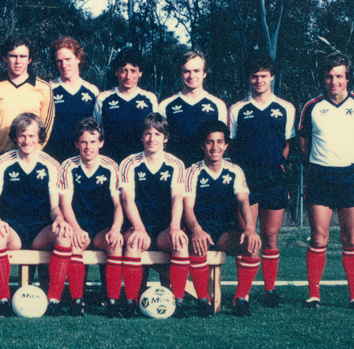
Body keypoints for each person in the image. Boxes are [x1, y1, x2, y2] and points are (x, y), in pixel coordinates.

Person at [297, 52, 354, 310]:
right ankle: (313, 295)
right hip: (320, 176)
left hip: (352, 177)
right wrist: (322, 163)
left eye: (339, 76)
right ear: (323, 78)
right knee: (319, 237)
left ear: (347, 78)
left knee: (351, 240)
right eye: (329, 76)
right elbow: (303, 145)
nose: (334, 81)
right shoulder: (312, 107)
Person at [227, 53, 296, 308]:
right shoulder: (237, 109)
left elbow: (287, 145)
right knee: (248, 235)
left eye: (263, 76)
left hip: (274, 177)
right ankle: (241, 294)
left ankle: (270, 290)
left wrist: (275, 165)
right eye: (254, 76)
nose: (259, 80)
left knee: (270, 236)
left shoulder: (286, 108)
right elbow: (231, 145)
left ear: (272, 77)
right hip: (246, 177)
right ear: (249, 78)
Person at [0, 113, 71, 317]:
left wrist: (59, 218)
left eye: (32, 136)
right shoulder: (1, 163)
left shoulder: (52, 164)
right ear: (15, 137)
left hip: (40, 230)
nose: (27, 141)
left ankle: (53, 300)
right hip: (12, 228)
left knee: (63, 235)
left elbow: (54, 206)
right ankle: (2, 300)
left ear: (40, 137)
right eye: (22, 135)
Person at [182, 119, 261, 317]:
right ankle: (203, 301)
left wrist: (250, 228)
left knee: (252, 246)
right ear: (202, 145)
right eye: (209, 142)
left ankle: (240, 299)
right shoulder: (192, 172)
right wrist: (196, 229)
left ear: (226, 145)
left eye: (219, 142)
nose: (215, 147)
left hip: (226, 232)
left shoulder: (235, 171)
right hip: (202, 229)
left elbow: (244, 202)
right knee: (195, 244)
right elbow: (188, 207)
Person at [118, 113, 189, 319]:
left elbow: (178, 197)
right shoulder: (129, 163)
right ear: (141, 137)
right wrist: (138, 227)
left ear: (165, 138)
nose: (152, 138)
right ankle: (131, 302)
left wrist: (175, 226)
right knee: (133, 241)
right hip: (139, 224)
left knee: (181, 242)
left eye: (157, 134)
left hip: (163, 228)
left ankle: (179, 301)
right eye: (147, 134)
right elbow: (127, 199)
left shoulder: (176, 164)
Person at [50, 118, 123, 317]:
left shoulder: (111, 167)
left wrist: (116, 228)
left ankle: (112, 301)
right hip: (78, 223)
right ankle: (77, 301)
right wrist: (75, 228)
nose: (88, 147)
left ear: (101, 143)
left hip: (102, 227)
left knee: (115, 243)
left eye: (93, 142)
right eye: (83, 142)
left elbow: (118, 204)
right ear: (76, 144)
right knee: (74, 244)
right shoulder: (68, 166)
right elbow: (65, 203)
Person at [0, 35, 55, 156]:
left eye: (23, 56)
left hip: (31, 155)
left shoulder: (43, 88)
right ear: (5, 58)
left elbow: (46, 127)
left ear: (29, 59)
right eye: (13, 56)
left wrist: (32, 150)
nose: (18, 61)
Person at [159, 50, 227, 167]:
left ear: (204, 73)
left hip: (206, 171)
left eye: (196, 71)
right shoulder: (165, 105)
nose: (191, 76)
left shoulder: (218, 105)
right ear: (180, 74)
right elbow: (159, 142)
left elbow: (221, 142)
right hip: (175, 171)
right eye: (186, 71)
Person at [92, 48, 158, 162]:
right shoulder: (103, 99)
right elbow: (95, 134)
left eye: (133, 71)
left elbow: (156, 133)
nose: (128, 76)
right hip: (111, 162)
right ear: (116, 72)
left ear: (140, 73)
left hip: (141, 164)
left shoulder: (150, 99)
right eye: (123, 70)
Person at [44, 36, 100, 161]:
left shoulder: (92, 91)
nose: (64, 65)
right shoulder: (48, 89)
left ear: (78, 58)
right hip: (54, 156)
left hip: (83, 158)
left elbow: (97, 127)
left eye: (68, 59)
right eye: (59, 61)